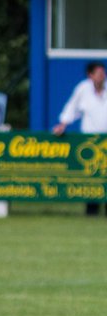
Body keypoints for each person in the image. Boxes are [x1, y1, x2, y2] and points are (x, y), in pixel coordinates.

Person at [52, 61, 107, 215]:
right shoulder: (83, 89)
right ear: (90, 75)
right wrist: (63, 124)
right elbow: (72, 108)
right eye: (99, 73)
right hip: (90, 141)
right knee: (93, 177)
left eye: (103, 73)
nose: (102, 76)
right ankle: (92, 211)